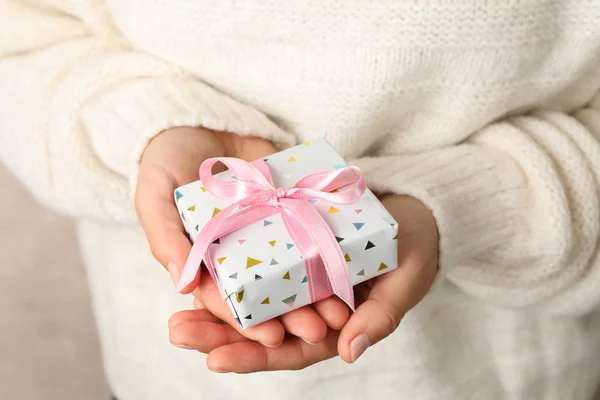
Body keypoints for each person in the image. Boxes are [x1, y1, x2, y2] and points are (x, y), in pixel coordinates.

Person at [1, 1, 600, 399]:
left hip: (514, 380)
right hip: (168, 381)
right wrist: (147, 126)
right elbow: (22, 39)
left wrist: (473, 207)